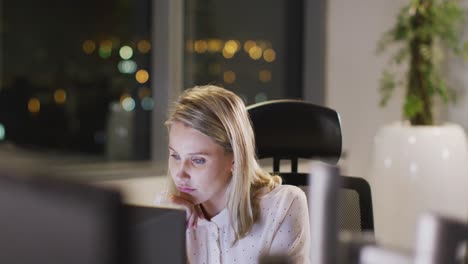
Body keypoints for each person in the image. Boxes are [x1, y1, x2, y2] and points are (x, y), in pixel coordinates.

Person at [162, 85, 310, 263]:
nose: (180, 174)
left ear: (235, 157)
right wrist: (169, 231)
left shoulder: (282, 206)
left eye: (198, 160)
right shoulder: (169, 211)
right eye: (175, 156)